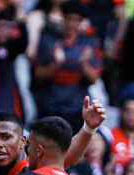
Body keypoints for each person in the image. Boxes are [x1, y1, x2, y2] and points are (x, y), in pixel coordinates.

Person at [33, 1, 103, 133]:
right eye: (69, 19)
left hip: (77, 108)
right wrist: (55, 63)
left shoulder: (90, 43)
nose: (72, 24)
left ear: (81, 22)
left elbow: (94, 78)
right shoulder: (49, 41)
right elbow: (38, 75)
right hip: (50, 106)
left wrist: (84, 63)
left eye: (76, 20)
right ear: (63, 19)